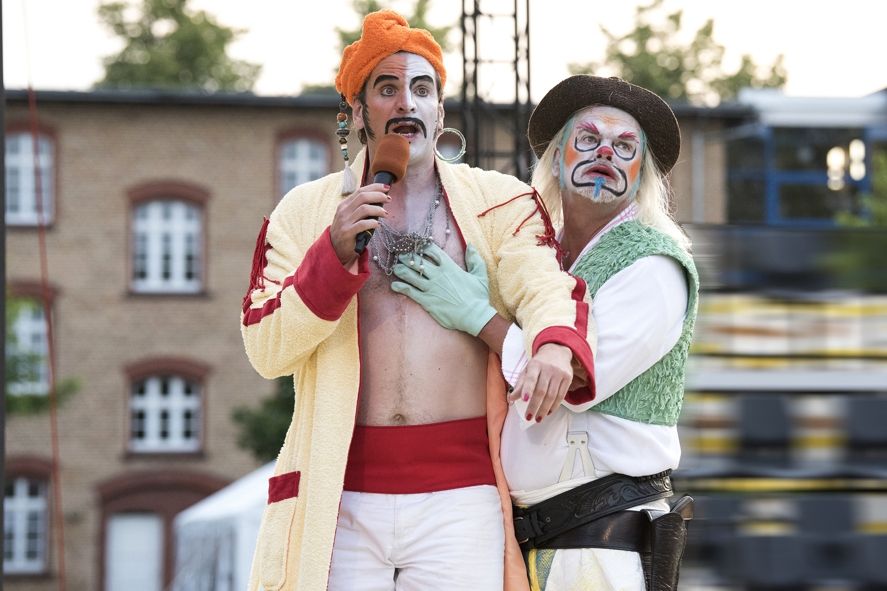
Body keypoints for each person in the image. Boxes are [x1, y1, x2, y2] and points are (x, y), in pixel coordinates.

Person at [239, 11, 596, 591]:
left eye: (421, 88)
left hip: (463, 496)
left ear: (440, 111)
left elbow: (548, 285)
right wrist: (330, 254)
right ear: (355, 114)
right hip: (343, 497)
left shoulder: (500, 202)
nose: (406, 101)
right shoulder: (303, 213)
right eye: (387, 87)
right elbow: (263, 347)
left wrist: (554, 345)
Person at [391, 75, 699, 590]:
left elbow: (573, 382)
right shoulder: (540, 259)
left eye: (625, 146)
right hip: (533, 545)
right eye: (588, 139)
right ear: (557, 158)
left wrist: (477, 315)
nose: (605, 152)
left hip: (603, 547)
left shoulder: (657, 266)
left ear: (640, 170)